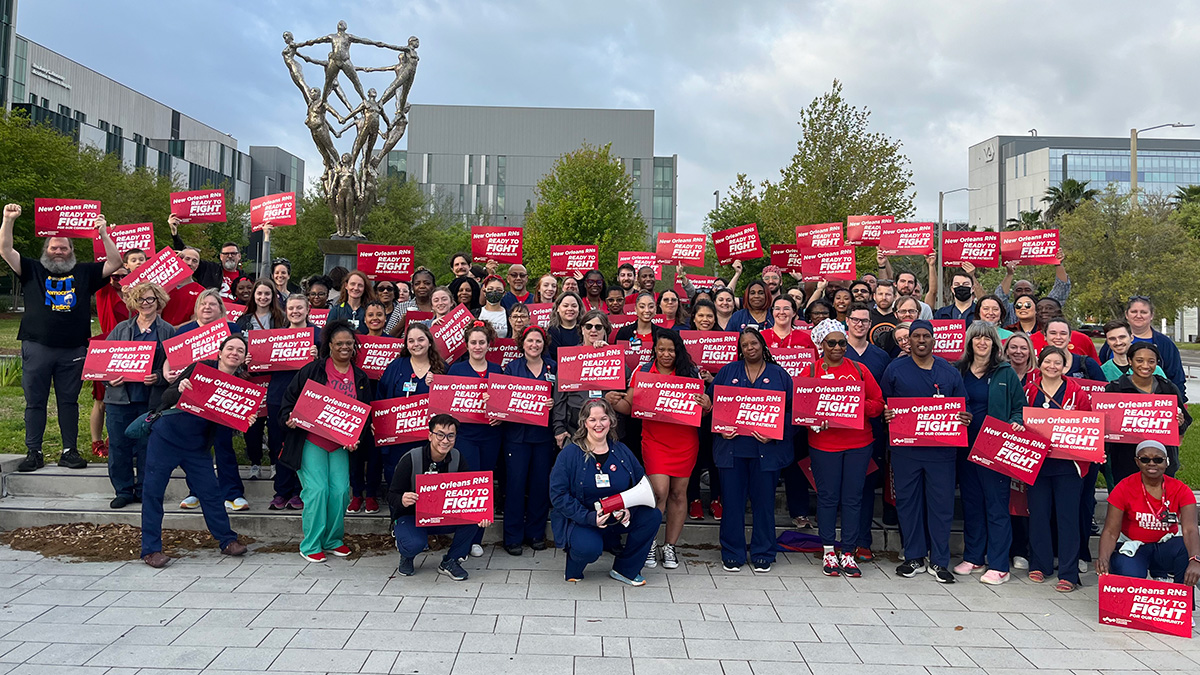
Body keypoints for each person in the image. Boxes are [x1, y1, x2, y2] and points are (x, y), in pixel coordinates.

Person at [2, 204, 122, 472]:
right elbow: (6, 250)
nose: (58, 251)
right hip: (37, 346)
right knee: (35, 401)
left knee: (68, 401)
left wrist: (103, 233)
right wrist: (8, 220)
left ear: (72, 251)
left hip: (73, 349)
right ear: (45, 250)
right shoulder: (31, 269)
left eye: (64, 248)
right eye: (53, 247)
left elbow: (116, 263)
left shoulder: (84, 272)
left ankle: (70, 451)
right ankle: (34, 451)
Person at [140, 335, 252, 568]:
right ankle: (151, 550)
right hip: (166, 438)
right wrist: (180, 387)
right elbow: (166, 397)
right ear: (219, 353)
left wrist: (243, 420)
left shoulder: (240, 386)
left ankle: (227, 540)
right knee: (153, 493)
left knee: (211, 493)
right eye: (229, 348)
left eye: (239, 350)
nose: (234, 353)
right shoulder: (201, 368)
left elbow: (227, 426)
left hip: (197, 447)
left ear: (243, 358)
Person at [611, 330, 711, 570]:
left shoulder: (691, 372)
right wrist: (613, 400)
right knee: (658, 492)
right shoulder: (644, 371)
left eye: (671, 350)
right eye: (661, 349)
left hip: (685, 441)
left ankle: (670, 547)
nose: (666, 354)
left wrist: (707, 405)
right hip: (655, 440)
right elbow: (628, 405)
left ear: (678, 351)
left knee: (678, 493)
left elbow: (701, 409)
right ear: (654, 349)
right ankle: (649, 543)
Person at [882, 319, 971, 583]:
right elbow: (884, 402)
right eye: (916, 336)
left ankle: (939, 560)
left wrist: (965, 417)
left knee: (941, 505)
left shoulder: (948, 371)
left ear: (934, 340)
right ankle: (914, 557)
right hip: (906, 451)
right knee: (908, 504)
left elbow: (963, 405)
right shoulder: (895, 369)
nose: (921, 341)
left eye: (926, 336)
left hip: (941, 452)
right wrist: (886, 414)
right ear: (908, 341)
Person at [279, 320, 374, 563]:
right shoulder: (313, 370)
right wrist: (289, 418)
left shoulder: (361, 376)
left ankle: (333, 540)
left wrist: (357, 439)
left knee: (341, 492)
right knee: (317, 491)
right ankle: (310, 543)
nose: (344, 347)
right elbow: (289, 401)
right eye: (339, 343)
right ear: (329, 345)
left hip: (341, 445)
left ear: (354, 346)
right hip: (311, 439)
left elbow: (365, 415)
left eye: (349, 343)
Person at [549, 399, 663, 585]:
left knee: (652, 516)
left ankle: (625, 570)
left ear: (611, 421)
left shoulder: (622, 451)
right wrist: (589, 517)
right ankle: (574, 565)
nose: (598, 424)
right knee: (588, 549)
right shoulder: (569, 454)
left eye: (603, 418)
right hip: (584, 520)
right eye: (592, 419)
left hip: (617, 516)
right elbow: (558, 495)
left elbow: (640, 484)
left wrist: (629, 510)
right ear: (584, 422)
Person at [805, 320, 885, 577]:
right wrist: (817, 418)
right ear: (821, 344)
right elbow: (803, 409)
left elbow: (878, 403)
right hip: (824, 445)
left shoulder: (860, 370)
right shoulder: (811, 371)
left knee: (853, 498)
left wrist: (852, 406)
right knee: (828, 498)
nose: (838, 347)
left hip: (859, 444)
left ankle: (849, 552)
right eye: (832, 343)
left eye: (842, 342)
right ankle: (829, 549)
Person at [709, 328, 792, 573]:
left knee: (764, 504)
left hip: (766, 452)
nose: (750, 348)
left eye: (754, 343)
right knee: (732, 504)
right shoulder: (727, 372)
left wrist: (774, 432)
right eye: (744, 345)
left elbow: (791, 413)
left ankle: (764, 552)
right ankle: (732, 552)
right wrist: (721, 428)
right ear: (740, 348)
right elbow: (713, 407)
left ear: (762, 345)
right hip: (732, 450)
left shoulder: (779, 374)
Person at [953, 322, 1026, 585]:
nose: (981, 343)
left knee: (996, 506)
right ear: (970, 342)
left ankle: (998, 564)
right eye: (977, 338)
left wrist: (1016, 421)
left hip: (995, 449)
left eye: (987, 339)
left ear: (995, 344)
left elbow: (1020, 407)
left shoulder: (1005, 373)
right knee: (972, 504)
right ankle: (974, 556)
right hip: (964, 447)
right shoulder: (958, 371)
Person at [388, 414, 491, 580]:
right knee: (413, 544)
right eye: (440, 435)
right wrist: (402, 499)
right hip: (413, 517)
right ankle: (406, 555)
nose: (445, 440)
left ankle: (451, 561)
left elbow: (470, 493)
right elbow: (391, 495)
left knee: (474, 516)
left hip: (443, 517)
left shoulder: (457, 457)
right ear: (430, 436)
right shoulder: (411, 459)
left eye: (451, 436)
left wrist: (482, 514)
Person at [1022, 346, 1091, 592]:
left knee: (1068, 518)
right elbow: (1019, 418)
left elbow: (1088, 426)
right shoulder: (1029, 390)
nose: (1052, 366)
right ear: (1039, 364)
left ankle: (1069, 573)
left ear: (1065, 366)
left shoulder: (1077, 393)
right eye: (1047, 361)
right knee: (1039, 515)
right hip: (1036, 463)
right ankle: (1039, 564)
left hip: (1067, 465)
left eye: (1057, 363)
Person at [103, 282, 173, 508]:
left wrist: (158, 378)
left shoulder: (168, 331)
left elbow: (175, 369)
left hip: (150, 399)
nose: (145, 303)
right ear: (134, 302)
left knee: (148, 447)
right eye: (141, 299)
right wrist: (108, 378)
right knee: (118, 445)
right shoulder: (121, 329)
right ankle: (123, 490)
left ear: (158, 301)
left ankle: (145, 489)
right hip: (119, 398)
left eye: (150, 299)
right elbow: (102, 360)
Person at [1096, 440, 1200, 587]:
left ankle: (1181, 603)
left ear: (1167, 462)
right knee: (1130, 575)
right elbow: (1111, 531)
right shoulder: (1124, 487)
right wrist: (1103, 558)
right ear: (1137, 462)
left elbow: (1190, 530)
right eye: (1145, 459)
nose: (1152, 464)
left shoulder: (1180, 489)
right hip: (1134, 546)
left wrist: (1195, 560)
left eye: (1158, 460)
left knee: (1187, 551)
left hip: (1165, 545)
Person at [446, 322, 504, 556]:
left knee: (485, 485)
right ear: (466, 345)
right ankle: (465, 535)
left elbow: (506, 406)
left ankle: (477, 537)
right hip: (466, 436)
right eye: (473, 342)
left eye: (482, 342)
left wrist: (501, 416)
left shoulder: (498, 370)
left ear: (489, 345)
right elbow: (446, 404)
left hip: (491, 436)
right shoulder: (455, 370)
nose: (478, 346)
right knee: (469, 485)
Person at [501, 326, 558, 555]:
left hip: (544, 437)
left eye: (538, 341)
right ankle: (512, 537)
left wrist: (553, 402)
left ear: (544, 344)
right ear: (522, 343)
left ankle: (535, 533)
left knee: (539, 485)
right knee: (515, 486)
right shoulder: (512, 368)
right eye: (530, 341)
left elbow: (562, 396)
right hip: (516, 437)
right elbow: (503, 399)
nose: (534, 345)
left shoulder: (553, 367)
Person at [1104, 342, 1190, 483]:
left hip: (1162, 459)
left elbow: (1185, 422)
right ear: (1130, 361)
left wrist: (1179, 423)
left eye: (1151, 361)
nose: (1145, 366)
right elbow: (1104, 426)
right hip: (1125, 460)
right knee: (1129, 501)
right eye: (1139, 360)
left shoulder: (1167, 388)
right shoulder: (1115, 389)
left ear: (1157, 363)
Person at [262, 294, 318, 511]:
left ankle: (299, 491)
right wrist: (252, 361)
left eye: (299, 308)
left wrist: (318, 355)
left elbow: (328, 367)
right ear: (286, 310)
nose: (295, 312)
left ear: (308, 309)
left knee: (302, 447)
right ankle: (281, 492)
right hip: (278, 397)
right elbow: (260, 365)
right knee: (279, 446)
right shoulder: (275, 336)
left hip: (307, 399)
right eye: (291, 308)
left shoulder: (318, 336)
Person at [377, 322, 446, 482]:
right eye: (411, 341)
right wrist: (378, 422)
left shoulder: (442, 369)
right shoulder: (396, 366)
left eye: (421, 340)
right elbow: (381, 396)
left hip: (429, 439)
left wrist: (439, 385)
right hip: (399, 438)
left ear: (429, 341)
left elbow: (449, 404)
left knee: (427, 481)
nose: (416, 344)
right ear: (406, 344)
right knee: (398, 479)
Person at [236, 279, 287, 483]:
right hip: (251, 379)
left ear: (273, 296)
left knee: (275, 426)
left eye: (267, 294)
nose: (263, 297)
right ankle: (255, 462)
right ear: (254, 296)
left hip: (274, 379)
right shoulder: (244, 320)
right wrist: (243, 364)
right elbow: (235, 347)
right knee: (253, 426)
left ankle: (275, 463)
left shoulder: (281, 319)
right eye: (259, 294)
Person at [552, 311, 627, 446]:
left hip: (606, 426)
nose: (593, 330)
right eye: (588, 326)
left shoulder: (612, 354)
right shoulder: (569, 357)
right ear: (582, 329)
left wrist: (609, 354)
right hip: (575, 425)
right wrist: (559, 428)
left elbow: (626, 380)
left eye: (598, 327)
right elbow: (559, 398)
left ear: (605, 330)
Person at [1098, 297, 1186, 398]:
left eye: (1143, 312)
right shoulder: (1111, 345)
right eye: (1134, 311)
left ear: (1151, 315)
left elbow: (1176, 378)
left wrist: (1177, 405)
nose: (1138, 316)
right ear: (1126, 314)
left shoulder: (1165, 344)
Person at [685, 300, 723, 521]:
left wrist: (713, 379)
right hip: (692, 408)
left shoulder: (726, 341)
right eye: (701, 316)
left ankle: (717, 499)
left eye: (709, 316)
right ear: (694, 318)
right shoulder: (685, 341)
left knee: (716, 453)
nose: (705, 320)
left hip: (718, 407)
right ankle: (695, 499)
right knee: (695, 454)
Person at [995, 251, 1071, 326]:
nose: (1023, 293)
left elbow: (1061, 289)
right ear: (1013, 293)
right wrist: (1009, 274)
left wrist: (1059, 264)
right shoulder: (1008, 311)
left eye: (1027, 290)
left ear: (1033, 292)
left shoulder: (1043, 309)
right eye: (1019, 290)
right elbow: (1000, 298)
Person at [546, 292, 582, 359]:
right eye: (565, 306)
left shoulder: (586, 328)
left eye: (574, 306)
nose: (570, 309)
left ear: (579, 309)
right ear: (558, 308)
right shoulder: (552, 331)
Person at [868, 279, 898, 351]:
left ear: (894, 297)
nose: (884, 298)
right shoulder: (867, 316)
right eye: (880, 294)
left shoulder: (899, 317)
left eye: (888, 294)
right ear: (874, 296)